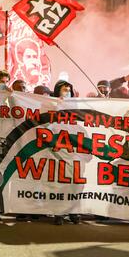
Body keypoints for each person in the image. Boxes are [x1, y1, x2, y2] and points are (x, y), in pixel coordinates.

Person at [52, 80, 81, 226]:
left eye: (69, 90)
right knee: (60, 184)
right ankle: (59, 213)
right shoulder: (51, 105)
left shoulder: (75, 107)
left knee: (75, 185)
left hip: (74, 152)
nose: (67, 92)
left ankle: (73, 211)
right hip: (58, 152)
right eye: (64, 89)